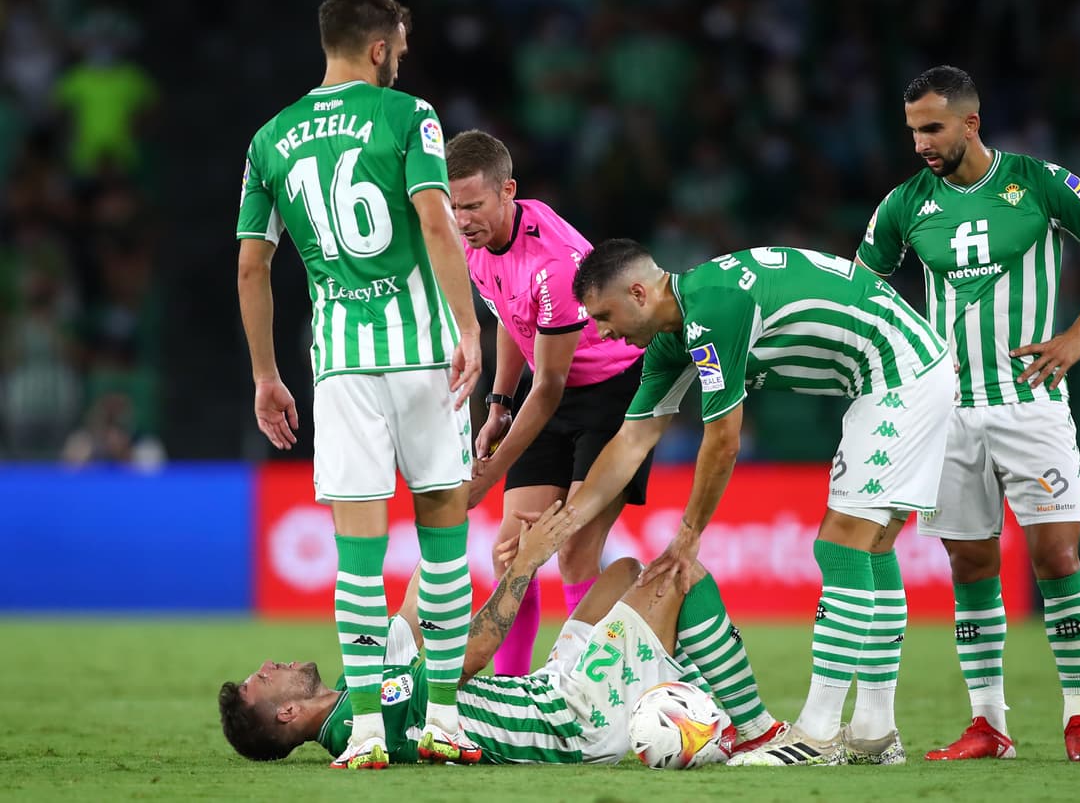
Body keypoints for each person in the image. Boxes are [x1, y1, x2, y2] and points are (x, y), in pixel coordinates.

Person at [530, 238, 955, 767]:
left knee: (841, 546)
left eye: (603, 315)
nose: (601, 332)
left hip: (900, 373)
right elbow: (632, 440)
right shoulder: (675, 335)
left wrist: (689, 533)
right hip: (904, 367)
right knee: (872, 549)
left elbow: (724, 439)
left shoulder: (712, 310)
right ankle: (874, 731)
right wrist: (569, 520)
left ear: (639, 293)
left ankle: (817, 736)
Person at [856, 65, 1080, 763]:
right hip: (948, 413)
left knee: (1055, 555)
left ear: (970, 123)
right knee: (970, 562)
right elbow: (860, 294)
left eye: (932, 128)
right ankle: (989, 724)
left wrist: (1078, 335)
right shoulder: (903, 205)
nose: (921, 142)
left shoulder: (1040, 181)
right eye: (913, 130)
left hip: (1031, 403)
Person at [235, 0, 484, 770]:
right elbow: (438, 222)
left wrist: (267, 375)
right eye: (400, 51)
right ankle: (441, 716)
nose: (401, 63)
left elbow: (251, 267)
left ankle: (370, 729)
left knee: (358, 559)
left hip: (340, 362)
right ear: (379, 47)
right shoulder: (408, 117)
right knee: (443, 541)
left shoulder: (270, 139)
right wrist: (469, 324)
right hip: (423, 353)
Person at [218, 500, 782, 766]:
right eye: (259, 682)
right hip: (571, 719)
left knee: (625, 573)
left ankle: (685, 700)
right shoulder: (364, 725)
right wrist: (524, 565)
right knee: (678, 573)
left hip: (550, 686)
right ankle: (756, 732)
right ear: (286, 716)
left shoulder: (357, 687)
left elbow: (426, 594)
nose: (268, 665)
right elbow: (475, 652)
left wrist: (449, 501)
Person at [444, 129, 654, 676]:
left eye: (473, 205)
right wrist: (496, 403)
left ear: (507, 191)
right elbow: (512, 323)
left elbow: (552, 384)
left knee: (574, 550)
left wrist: (488, 477)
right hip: (548, 393)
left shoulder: (553, 265)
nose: (462, 219)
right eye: (454, 205)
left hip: (612, 397)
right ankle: (512, 690)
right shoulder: (478, 247)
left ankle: (579, 691)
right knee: (510, 553)